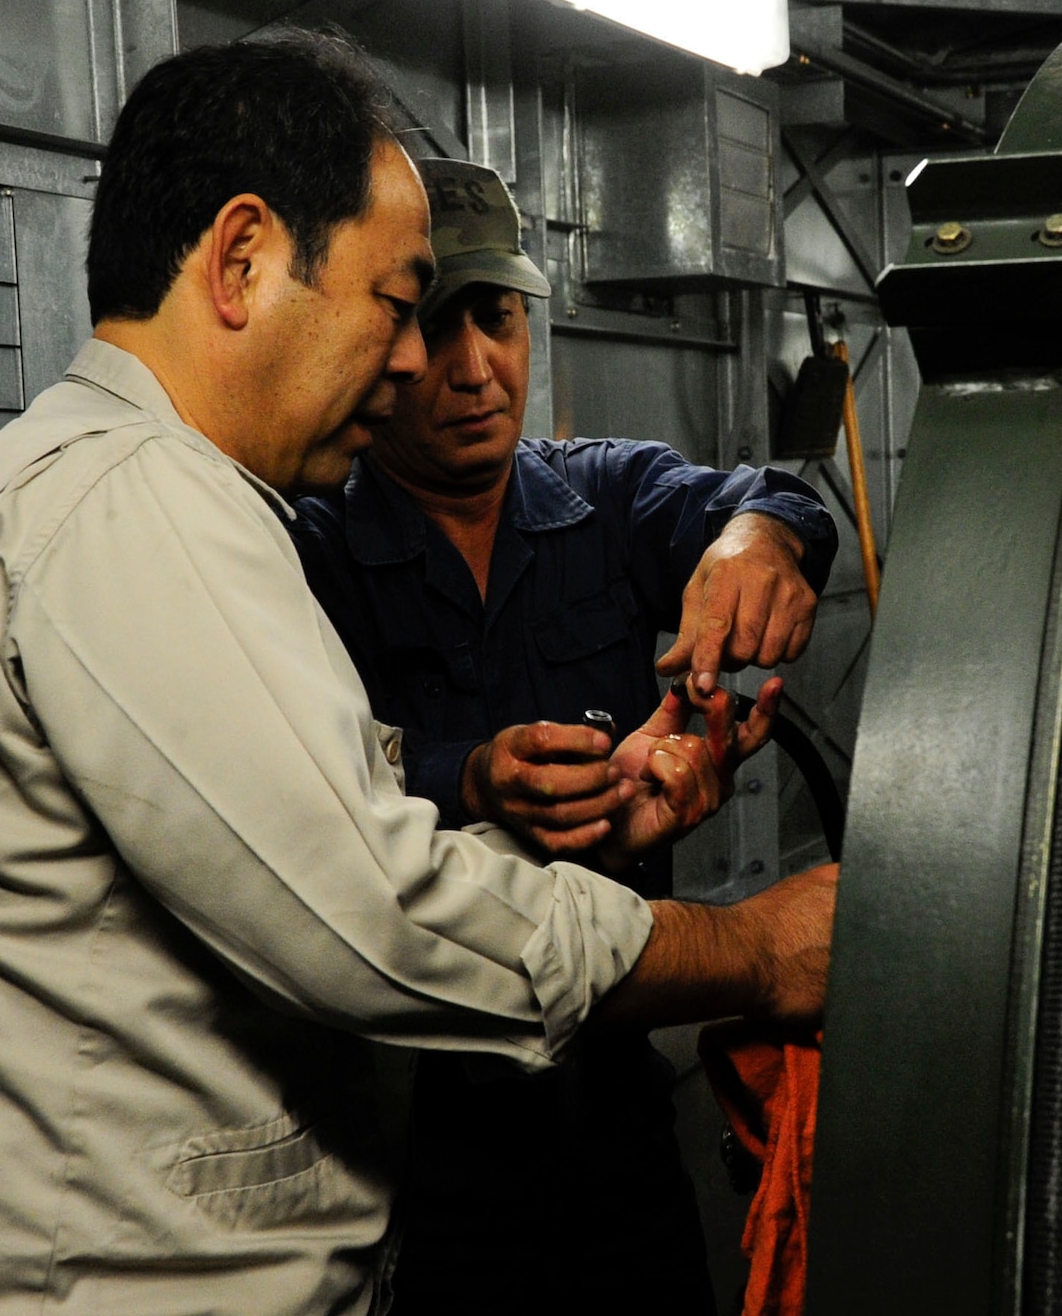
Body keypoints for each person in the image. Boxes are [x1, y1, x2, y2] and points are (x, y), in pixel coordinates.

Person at [0, 33, 834, 1316]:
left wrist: (591, 813)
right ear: (241, 261)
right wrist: (750, 946)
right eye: (397, 306)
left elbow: (324, 845)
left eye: (478, 318)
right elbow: (379, 918)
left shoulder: (137, 494)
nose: (416, 363)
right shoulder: (131, 504)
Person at [288, 159, 837, 1313]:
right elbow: (299, 795)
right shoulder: (310, 547)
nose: (474, 367)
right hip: (415, 1144)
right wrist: (470, 775)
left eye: (497, 319)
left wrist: (757, 541)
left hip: (613, 1102)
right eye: (437, 324)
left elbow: (772, 499)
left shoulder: (607, 495)